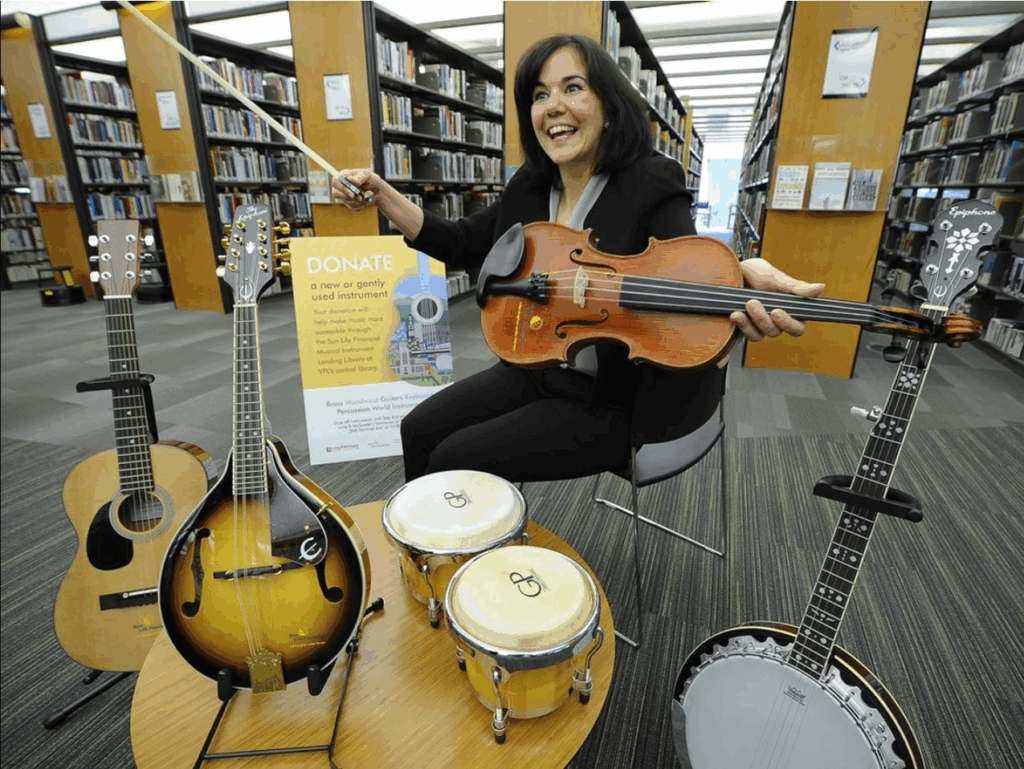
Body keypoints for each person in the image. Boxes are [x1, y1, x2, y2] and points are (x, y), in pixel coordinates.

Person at [332, 34, 824, 484]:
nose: (554, 107)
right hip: (535, 364)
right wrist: (383, 196)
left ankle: (465, 569)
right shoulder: (528, 185)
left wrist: (737, 276)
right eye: (540, 95)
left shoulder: (652, 180)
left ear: (607, 105)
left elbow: (681, 267)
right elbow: (460, 242)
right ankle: (433, 562)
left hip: (610, 399)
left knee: (452, 459)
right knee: (417, 429)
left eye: (573, 88)